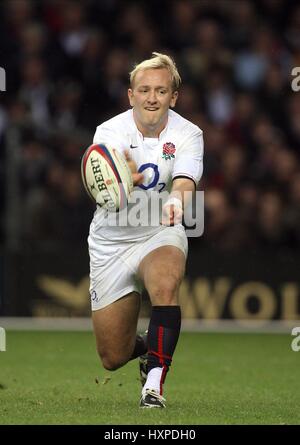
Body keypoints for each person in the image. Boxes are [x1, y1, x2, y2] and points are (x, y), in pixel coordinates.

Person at [88, 52, 203, 408]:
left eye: (161, 90)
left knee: (166, 285)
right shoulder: (109, 131)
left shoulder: (188, 133)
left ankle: (153, 386)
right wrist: (123, 182)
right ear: (130, 95)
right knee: (112, 355)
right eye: (144, 90)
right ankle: (145, 348)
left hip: (158, 231)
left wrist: (175, 203)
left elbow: (185, 180)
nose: (152, 97)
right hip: (111, 239)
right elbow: (100, 183)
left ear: (174, 97)